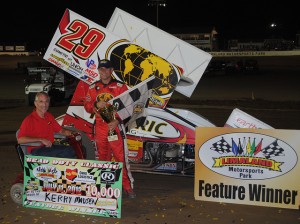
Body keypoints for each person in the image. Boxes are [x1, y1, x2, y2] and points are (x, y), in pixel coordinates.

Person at [84, 59, 136, 199]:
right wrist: (95, 104)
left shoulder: (120, 87)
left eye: (106, 69)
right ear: (98, 71)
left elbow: (129, 108)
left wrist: (117, 120)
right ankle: (104, 185)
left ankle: (127, 187)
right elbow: (87, 106)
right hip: (100, 127)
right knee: (102, 157)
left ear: (111, 70)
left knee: (121, 157)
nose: (104, 72)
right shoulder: (93, 88)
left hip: (115, 127)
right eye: (101, 69)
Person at [17, 91, 76, 158]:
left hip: (49, 147)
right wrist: (41, 139)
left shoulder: (49, 116)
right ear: (35, 103)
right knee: (69, 151)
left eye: (46, 102)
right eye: (41, 101)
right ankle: (56, 167)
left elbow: (61, 131)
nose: (44, 105)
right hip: (37, 150)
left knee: (78, 149)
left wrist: (74, 133)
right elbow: (20, 140)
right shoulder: (29, 120)